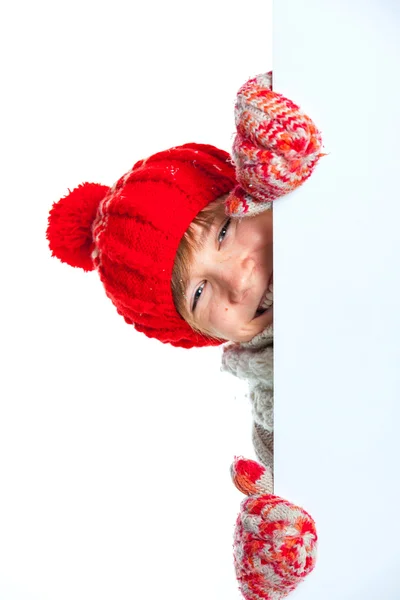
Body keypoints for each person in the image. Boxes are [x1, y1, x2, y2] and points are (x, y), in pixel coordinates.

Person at [47, 72, 325, 599]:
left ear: (249, 183)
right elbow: (326, 486)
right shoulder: (278, 405)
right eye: (199, 295)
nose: (239, 277)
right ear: (202, 334)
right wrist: (279, 540)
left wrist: (278, 129)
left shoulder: (333, 198)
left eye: (223, 229)